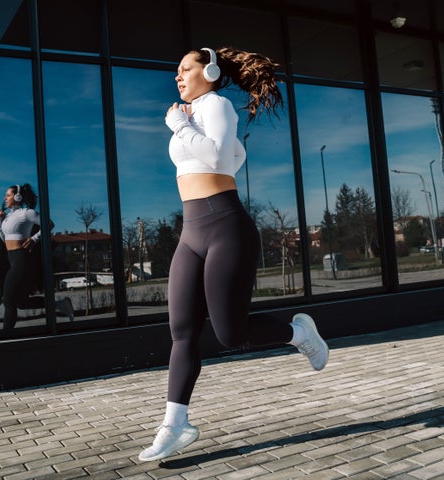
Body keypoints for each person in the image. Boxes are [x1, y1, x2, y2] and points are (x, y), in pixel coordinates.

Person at [138, 47, 330, 462]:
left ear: (208, 71)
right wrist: (186, 126)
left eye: (184, 68)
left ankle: (300, 334)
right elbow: (234, 158)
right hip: (191, 231)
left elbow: (219, 156)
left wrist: (177, 125)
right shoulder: (194, 115)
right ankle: (175, 424)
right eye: (177, 71)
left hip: (226, 227)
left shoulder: (218, 104)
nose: (177, 77)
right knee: (182, 331)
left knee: (231, 333)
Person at [0, 183, 45, 330]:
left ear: (17, 197)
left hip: (22, 258)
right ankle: (59, 304)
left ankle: (7, 337)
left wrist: (34, 239)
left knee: (8, 300)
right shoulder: (8, 217)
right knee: (21, 303)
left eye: (8, 195)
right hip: (12, 258)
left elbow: (49, 224)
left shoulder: (26, 213)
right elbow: (5, 239)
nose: (5, 198)